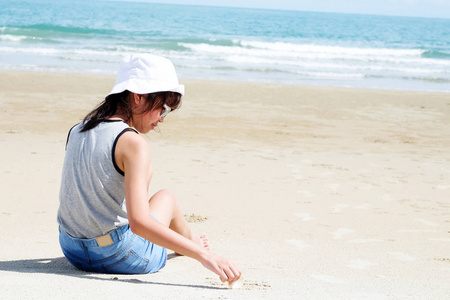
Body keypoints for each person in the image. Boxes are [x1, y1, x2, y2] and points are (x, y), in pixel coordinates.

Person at [57, 53, 241, 285]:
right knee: (167, 197)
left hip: (72, 250)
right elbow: (140, 223)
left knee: (145, 172)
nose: (163, 119)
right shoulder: (132, 142)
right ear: (138, 97)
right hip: (122, 257)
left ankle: (185, 241)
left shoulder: (78, 129)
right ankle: (191, 242)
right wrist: (205, 256)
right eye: (163, 109)